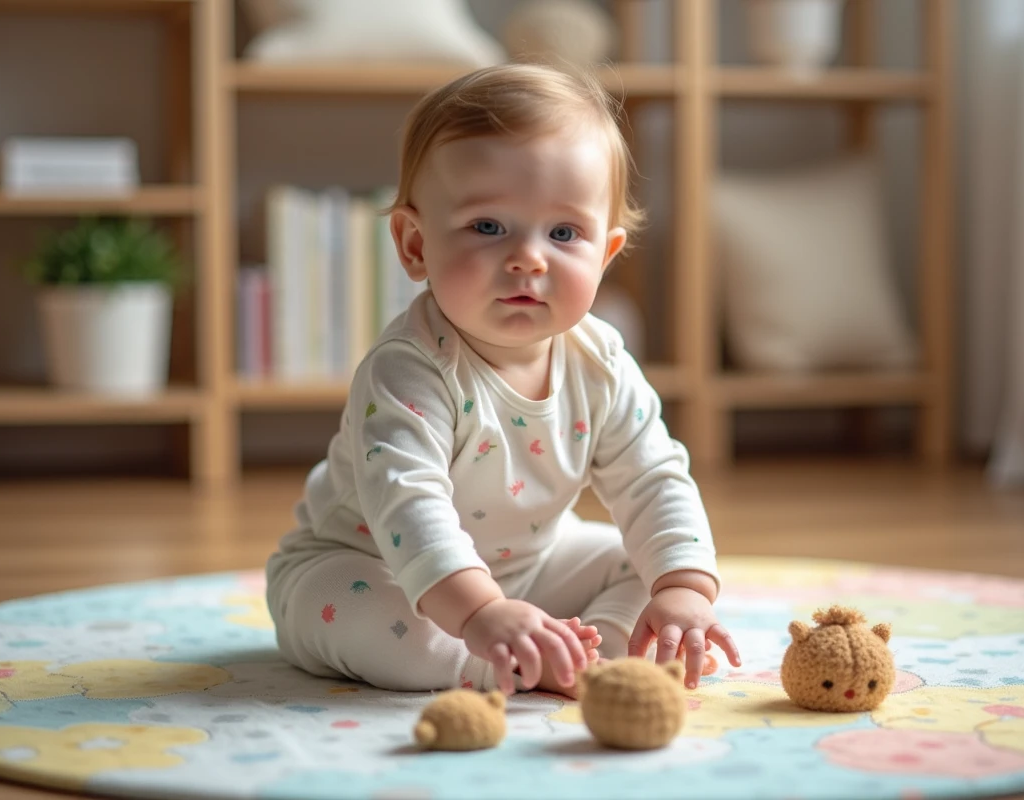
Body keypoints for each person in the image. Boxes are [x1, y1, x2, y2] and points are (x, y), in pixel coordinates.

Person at [265, 63, 741, 699]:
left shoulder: (599, 362)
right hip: (377, 567)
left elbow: (654, 478)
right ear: (414, 244)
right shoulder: (409, 368)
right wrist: (480, 614)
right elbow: (412, 506)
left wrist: (683, 589)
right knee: (363, 617)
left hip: (531, 568)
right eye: (488, 226)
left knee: (643, 560)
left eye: (565, 232)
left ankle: (588, 649)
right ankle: (490, 664)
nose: (529, 257)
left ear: (605, 255)